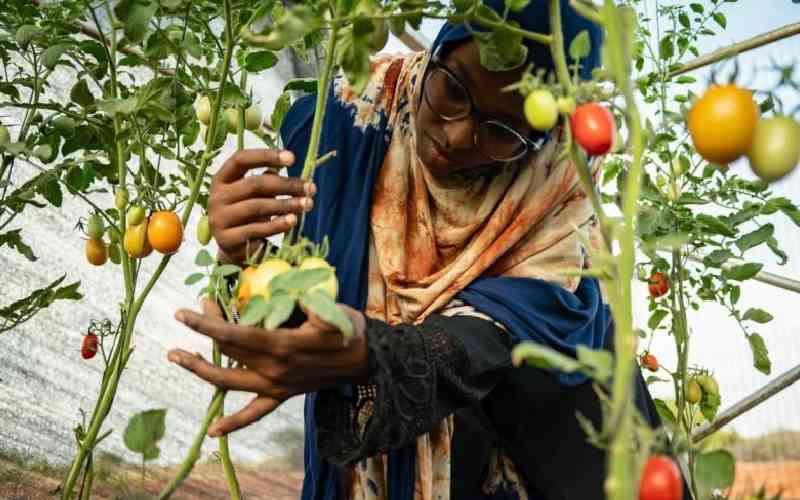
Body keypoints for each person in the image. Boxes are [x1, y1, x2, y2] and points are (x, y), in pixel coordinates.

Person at [167, 1, 688, 498]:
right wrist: (239, 253)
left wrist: (375, 354)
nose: (459, 135)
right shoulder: (347, 127)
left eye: (501, 130)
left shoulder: (558, 195)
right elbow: (295, 305)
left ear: (541, 135)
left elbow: (491, 341)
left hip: (542, 465)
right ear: (438, 51)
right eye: (453, 89)